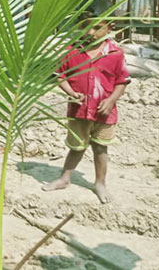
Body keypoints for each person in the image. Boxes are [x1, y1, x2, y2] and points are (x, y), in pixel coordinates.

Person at [42, 14, 130, 204]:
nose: (90, 32)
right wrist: (72, 92)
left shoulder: (115, 53)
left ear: (109, 28)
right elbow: (60, 76)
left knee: (100, 147)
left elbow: (122, 81)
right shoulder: (71, 51)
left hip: (104, 112)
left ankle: (100, 183)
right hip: (79, 110)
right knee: (76, 146)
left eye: (97, 27)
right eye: (85, 27)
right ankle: (65, 178)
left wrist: (111, 100)